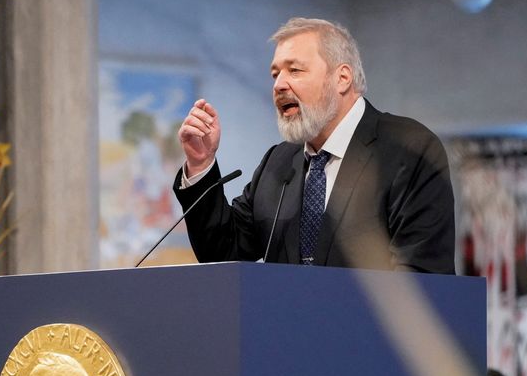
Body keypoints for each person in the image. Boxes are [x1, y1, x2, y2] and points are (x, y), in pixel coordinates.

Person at [173, 17, 454, 273]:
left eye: (294, 70)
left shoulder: (409, 148)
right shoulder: (279, 162)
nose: (279, 85)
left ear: (342, 78)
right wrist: (201, 163)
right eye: (275, 74)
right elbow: (224, 251)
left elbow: (420, 276)